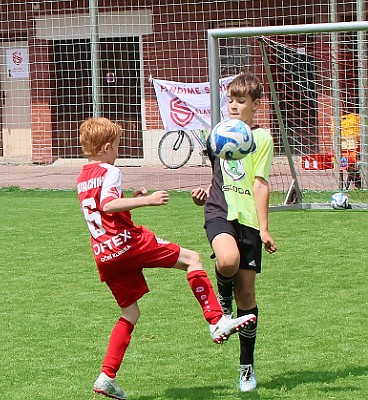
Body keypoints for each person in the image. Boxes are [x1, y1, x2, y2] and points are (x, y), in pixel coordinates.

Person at [76, 117, 256, 399]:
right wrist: (146, 200)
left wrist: (130, 198)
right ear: (106, 147)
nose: (118, 152)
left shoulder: (84, 175)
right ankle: (215, 320)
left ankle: (106, 376)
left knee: (130, 313)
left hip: (104, 253)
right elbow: (108, 205)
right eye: (117, 147)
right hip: (128, 242)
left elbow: (101, 208)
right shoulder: (110, 171)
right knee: (192, 259)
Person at [191, 72, 277, 393]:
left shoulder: (262, 138)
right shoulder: (217, 134)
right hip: (219, 211)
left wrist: (264, 228)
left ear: (256, 105)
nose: (234, 106)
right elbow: (216, 175)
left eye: (241, 101)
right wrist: (200, 194)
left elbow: (259, 183)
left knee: (248, 297)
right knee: (226, 260)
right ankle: (222, 305)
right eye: (230, 99)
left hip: (249, 221)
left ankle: (246, 368)